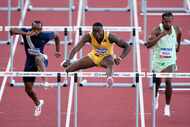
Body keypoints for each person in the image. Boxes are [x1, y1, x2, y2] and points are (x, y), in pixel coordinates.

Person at [10, 20, 61, 116]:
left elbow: (57, 36)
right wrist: (25, 33)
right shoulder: (26, 32)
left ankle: (45, 81)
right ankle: (38, 103)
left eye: (39, 29)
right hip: (29, 63)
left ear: (42, 29)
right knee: (28, 89)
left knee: (38, 58)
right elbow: (11, 30)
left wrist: (57, 50)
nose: (37, 31)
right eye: (35, 29)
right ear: (31, 28)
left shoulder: (45, 35)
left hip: (42, 59)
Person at [61, 22, 131, 86]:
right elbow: (76, 48)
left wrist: (120, 58)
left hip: (106, 57)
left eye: (99, 32)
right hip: (94, 56)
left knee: (110, 62)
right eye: (95, 32)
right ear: (92, 31)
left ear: (103, 30)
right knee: (69, 69)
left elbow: (127, 46)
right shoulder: (88, 36)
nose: (97, 34)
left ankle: (109, 78)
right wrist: (68, 60)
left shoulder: (110, 36)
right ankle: (66, 79)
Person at [145, 11, 182, 117]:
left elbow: (178, 41)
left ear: (172, 20)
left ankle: (167, 106)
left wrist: (177, 47)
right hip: (158, 61)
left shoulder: (177, 29)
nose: (168, 24)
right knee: (157, 82)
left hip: (170, 61)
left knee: (168, 81)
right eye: (166, 22)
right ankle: (156, 97)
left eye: (170, 21)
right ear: (162, 20)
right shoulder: (156, 30)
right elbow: (148, 45)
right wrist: (161, 35)